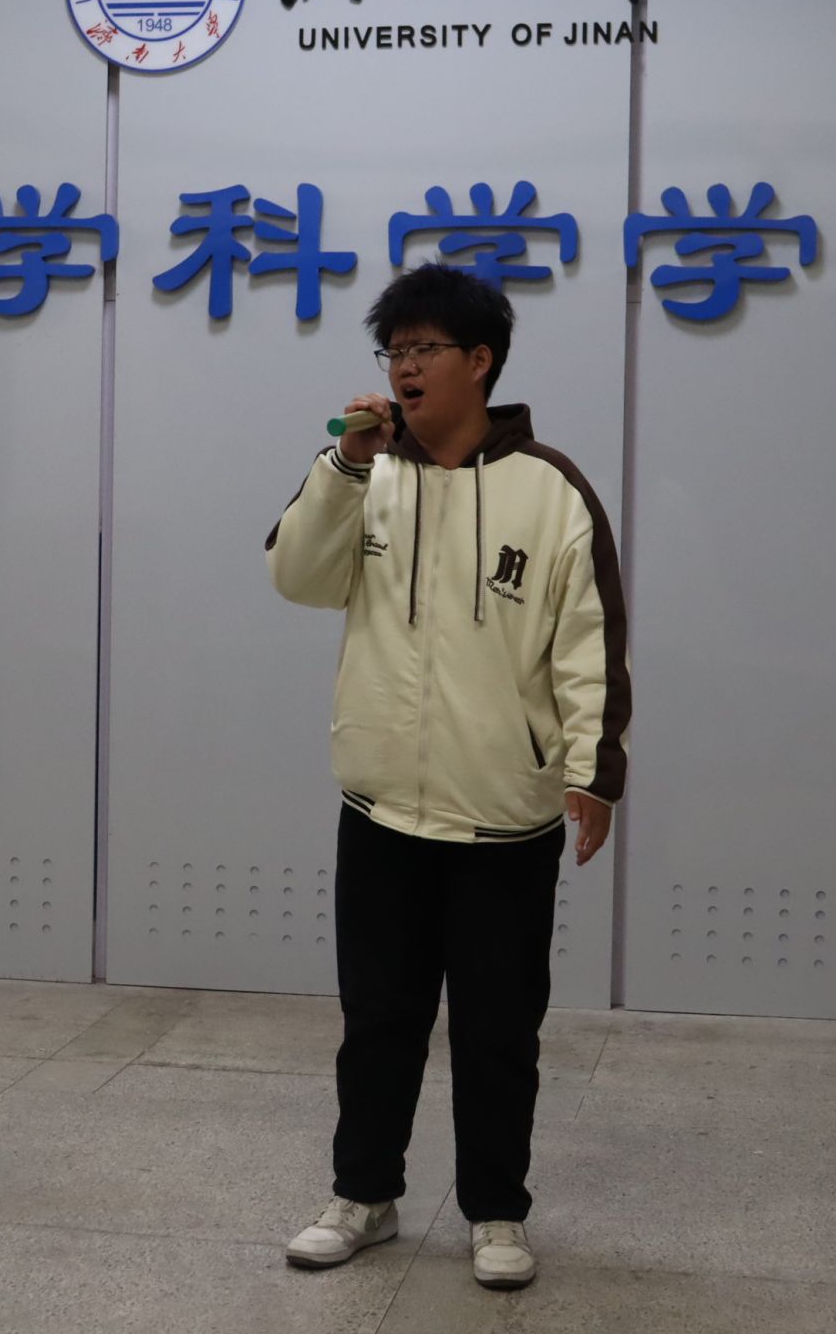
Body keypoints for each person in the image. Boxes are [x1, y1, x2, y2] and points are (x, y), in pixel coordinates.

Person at [266, 262, 631, 1290]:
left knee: (497, 1030)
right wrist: (342, 467)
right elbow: (295, 576)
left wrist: (593, 770)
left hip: (503, 818)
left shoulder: (550, 489)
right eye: (393, 350)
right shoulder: (364, 474)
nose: (404, 367)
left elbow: (589, 643)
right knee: (377, 1020)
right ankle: (363, 1194)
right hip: (381, 806)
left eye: (424, 349)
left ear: (479, 361)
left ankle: (496, 1212)